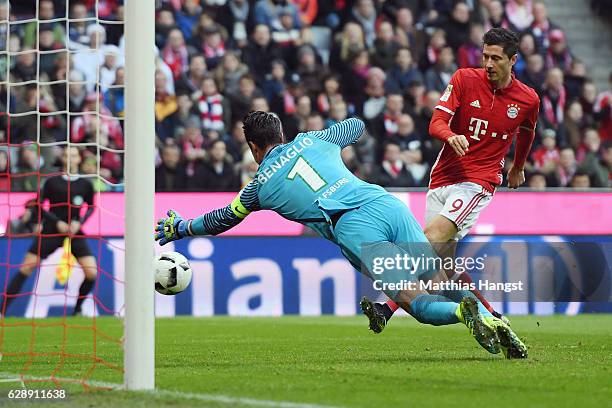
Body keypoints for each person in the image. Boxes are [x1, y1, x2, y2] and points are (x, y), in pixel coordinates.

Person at [156, 111, 527, 359]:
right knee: (439, 278)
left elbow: (222, 219)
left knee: (416, 303)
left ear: (254, 147)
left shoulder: (258, 187)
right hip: (385, 203)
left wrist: (182, 227)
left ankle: (465, 315)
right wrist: (322, 135)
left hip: (353, 226)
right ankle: (494, 319)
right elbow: (356, 126)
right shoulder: (313, 140)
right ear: (281, 134)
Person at [367, 28, 540, 333]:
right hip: (444, 175)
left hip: (479, 180)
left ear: (513, 60)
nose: (488, 63)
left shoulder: (527, 99)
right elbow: (436, 123)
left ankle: (386, 306)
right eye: (485, 55)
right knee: (442, 270)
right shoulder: (463, 78)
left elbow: (527, 131)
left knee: (429, 238)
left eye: (496, 58)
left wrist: (518, 167)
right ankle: (492, 317)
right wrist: (451, 134)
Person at [1, 147, 97, 316]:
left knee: (92, 272)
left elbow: (91, 207)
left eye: (73, 155)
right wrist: (57, 222)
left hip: (74, 231)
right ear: (62, 159)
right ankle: (2, 311)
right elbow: (38, 205)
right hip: (52, 229)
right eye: (66, 155)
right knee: (26, 267)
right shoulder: (52, 181)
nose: (69, 158)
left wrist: (78, 222)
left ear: (78, 159)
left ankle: (77, 310)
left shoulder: (85, 184)